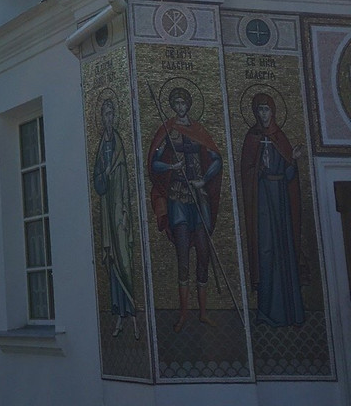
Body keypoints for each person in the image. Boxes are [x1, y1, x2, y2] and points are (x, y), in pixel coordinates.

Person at [148, 86, 223, 333]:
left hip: (198, 196)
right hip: (178, 198)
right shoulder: (168, 130)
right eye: (176, 103)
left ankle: (202, 313)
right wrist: (172, 166)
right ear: (172, 106)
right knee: (183, 257)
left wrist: (204, 179)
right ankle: (183, 314)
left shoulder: (198, 131)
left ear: (189, 104)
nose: (180, 107)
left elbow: (217, 160)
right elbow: (154, 163)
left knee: (203, 253)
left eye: (184, 103)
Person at [240, 92, 306, 327]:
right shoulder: (252, 137)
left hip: (281, 205)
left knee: (284, 251)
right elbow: (246, 172)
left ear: (274, 112)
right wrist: (256, 174)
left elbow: (289, 175)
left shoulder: (280, 137)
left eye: (267, 109)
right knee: (265, 251)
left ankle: (290, 312)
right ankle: (266, 311)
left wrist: (294, 161)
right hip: (262, 203)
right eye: (260, 110)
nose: (263, 114)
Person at [92, 98, 139, 339]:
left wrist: (123, 211)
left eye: (111, 114)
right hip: (107, 211)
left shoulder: (119, 145)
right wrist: (103, 174)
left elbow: (124, 182)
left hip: (120, 212)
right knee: (112, 260)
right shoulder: (102, 146)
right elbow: (97, 178)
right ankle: (120, 313)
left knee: (125, 259)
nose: (108, 118)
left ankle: (133, 313)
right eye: (105, 114)